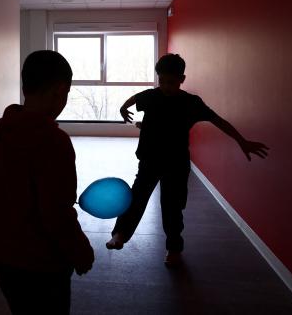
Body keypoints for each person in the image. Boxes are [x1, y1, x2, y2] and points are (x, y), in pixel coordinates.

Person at [106, 53, 269, 267]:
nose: (165, 86)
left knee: (172, 207)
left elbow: (219, 121)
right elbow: (135, 98)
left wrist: (241, 141)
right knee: (136, 198)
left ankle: (174, 249)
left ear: (182, 79)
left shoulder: (191, 103)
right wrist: (123, 108)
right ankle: (120, 234)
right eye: (162, 81)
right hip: (149, 160)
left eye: (171, 82)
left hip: (176, 164)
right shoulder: (151, 96)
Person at [0, 50, 94, 314]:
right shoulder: (53, 141)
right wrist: (80, 252)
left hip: (0, 255)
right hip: (40, 263)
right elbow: (56, 214)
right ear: (59, 90)